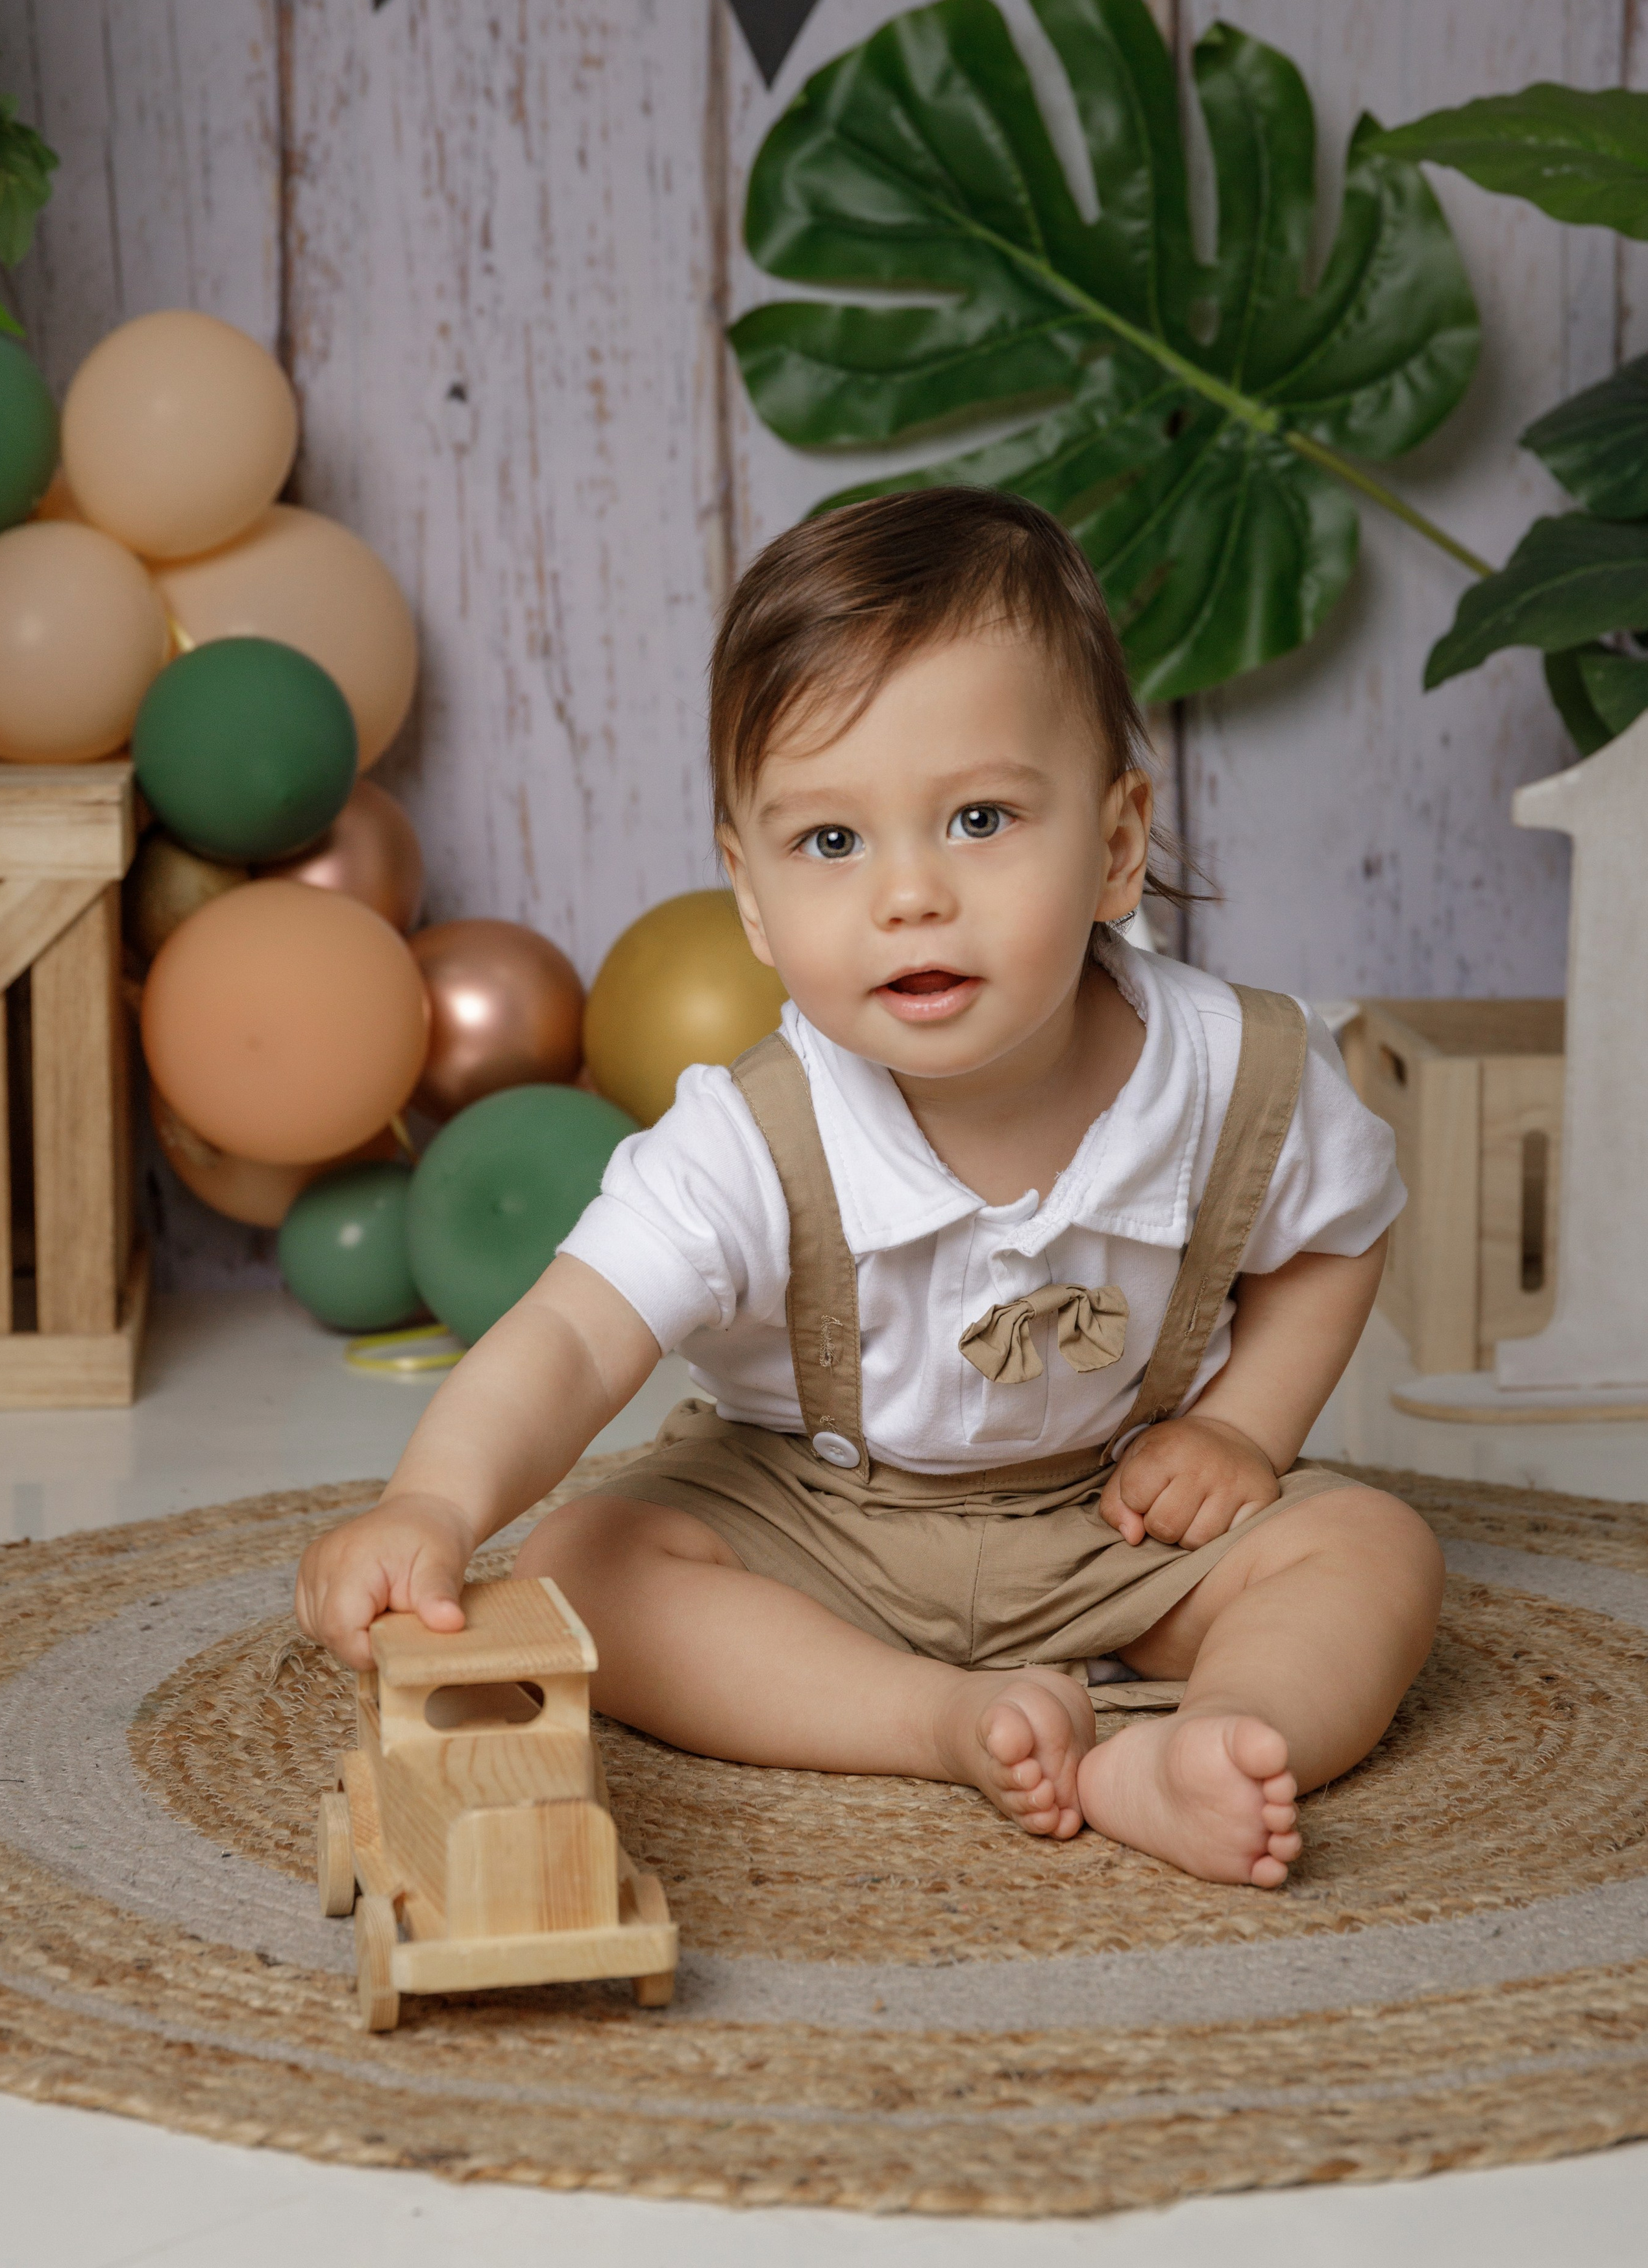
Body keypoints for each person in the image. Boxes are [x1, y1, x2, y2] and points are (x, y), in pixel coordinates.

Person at [297, 489, 1443, 1890]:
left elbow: (1335, 1239)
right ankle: (938, 1723)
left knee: (1368, 1550)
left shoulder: (1232, 1072)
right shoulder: (751, 1137)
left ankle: (1213, 1740)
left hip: (1114, 1517)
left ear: (1115, 842)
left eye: (976, 818)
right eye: (830, 843)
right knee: (584, 1561)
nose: (908, 895)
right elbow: (576, 1334)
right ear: (754, 903)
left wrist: (1246, 1432)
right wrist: (431, 1503)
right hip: (813, 1521)